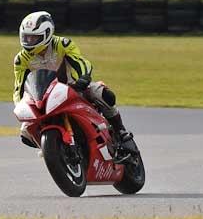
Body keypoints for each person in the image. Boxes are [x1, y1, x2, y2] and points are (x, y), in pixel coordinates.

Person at [13, 11, 137, 160]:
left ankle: (121, 131)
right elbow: (19, 87)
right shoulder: (21, 59)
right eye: (26, 37)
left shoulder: (62, 44)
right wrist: (21, 106)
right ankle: (52, 148)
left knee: (102, 93)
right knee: (25, 132)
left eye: (34, 37)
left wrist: (84, 78)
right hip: (42, 98)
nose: (29, 41)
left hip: (72, 87)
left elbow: (80, 62)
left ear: (47, 34)